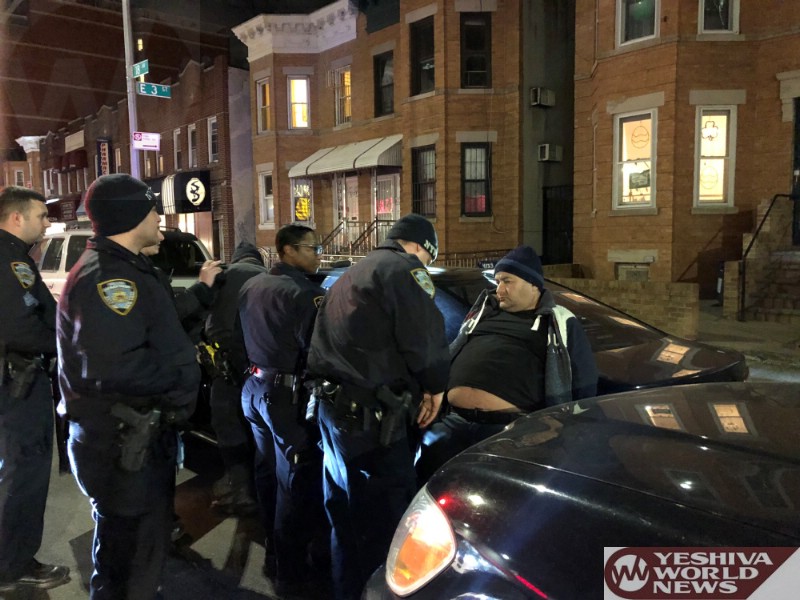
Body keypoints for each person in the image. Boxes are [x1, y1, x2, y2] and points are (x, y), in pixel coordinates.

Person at [57, 174, 200, 600]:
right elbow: (118, 366)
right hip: (122, 445)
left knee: (141, 554)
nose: (159, 218)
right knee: (126, 562)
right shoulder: (108, 279)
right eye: (152, 209)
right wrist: (182, 375)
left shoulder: (128, 268)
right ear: (130, 215)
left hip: (134, 439)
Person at [307, 214, 450, 600]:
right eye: (427, 257)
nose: (425, 265)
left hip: (333, 412)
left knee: (344, 516)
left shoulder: (351, 274)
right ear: (419, 247)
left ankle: (346, 591)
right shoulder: (404, 270)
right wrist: (436, 386)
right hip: (371, 423)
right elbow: (424, 338)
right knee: (384, 524)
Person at [416, 245, 598, 482]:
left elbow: (584, 381)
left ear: (533, 284)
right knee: (430, 488)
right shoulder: (483, 313)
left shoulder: (558, 321)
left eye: (507, 281)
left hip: (510, 431)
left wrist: (563, 426)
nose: (499, 289)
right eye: (498, 281)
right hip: (453, 422)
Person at [237, 224, 329, 595]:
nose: (318, 255)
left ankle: (273, 550)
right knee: (294, 482)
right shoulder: (306, 295)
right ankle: (290, 572)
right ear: (288, 250)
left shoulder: (251, 285)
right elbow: (318, 352)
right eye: (312, 248)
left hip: (254, 388)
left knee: (267, 474)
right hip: (286, 396)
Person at [0, 186, 70, 593]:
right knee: (24, 473)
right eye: (41, 216)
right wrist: (66, 342)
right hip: (17, 383)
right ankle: (12, 565)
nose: (46, 223)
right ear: (16, 218)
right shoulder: (10, 260)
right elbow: (23, 326)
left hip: (13, 379)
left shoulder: (14, 256)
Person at [203, 241, 267, 515]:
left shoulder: (223, 275)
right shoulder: (267, 277)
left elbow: (202, 315)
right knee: (259, 427)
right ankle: (259, 489)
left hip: (226, 363)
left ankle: (239, 487)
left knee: (227, 422)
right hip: (260, 364)